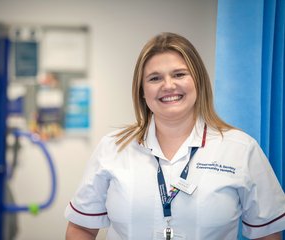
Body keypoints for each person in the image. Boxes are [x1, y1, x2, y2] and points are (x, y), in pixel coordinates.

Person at [64, 32, 285, 240]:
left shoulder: (241, 149)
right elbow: (81, 227)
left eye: (179, 74)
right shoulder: (113, 148)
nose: (168, 86)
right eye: (154, 78)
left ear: (197, 81)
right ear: (142, 90)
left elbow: (267, 234)